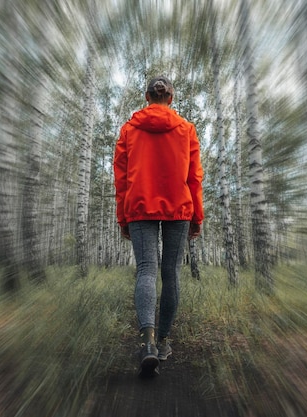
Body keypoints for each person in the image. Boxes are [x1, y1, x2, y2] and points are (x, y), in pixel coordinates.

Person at [114, 75, 204, 376]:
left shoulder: (129, 130)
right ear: (171, 98)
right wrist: (197, 216)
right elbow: (195, 178)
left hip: (140, 207)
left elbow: (121, 178)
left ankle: (147, 343)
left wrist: (123, 217)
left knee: (147, 271)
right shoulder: (186, 130)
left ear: (146, 96)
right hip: (179, 207)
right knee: (170, 273)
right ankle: (164, 341)